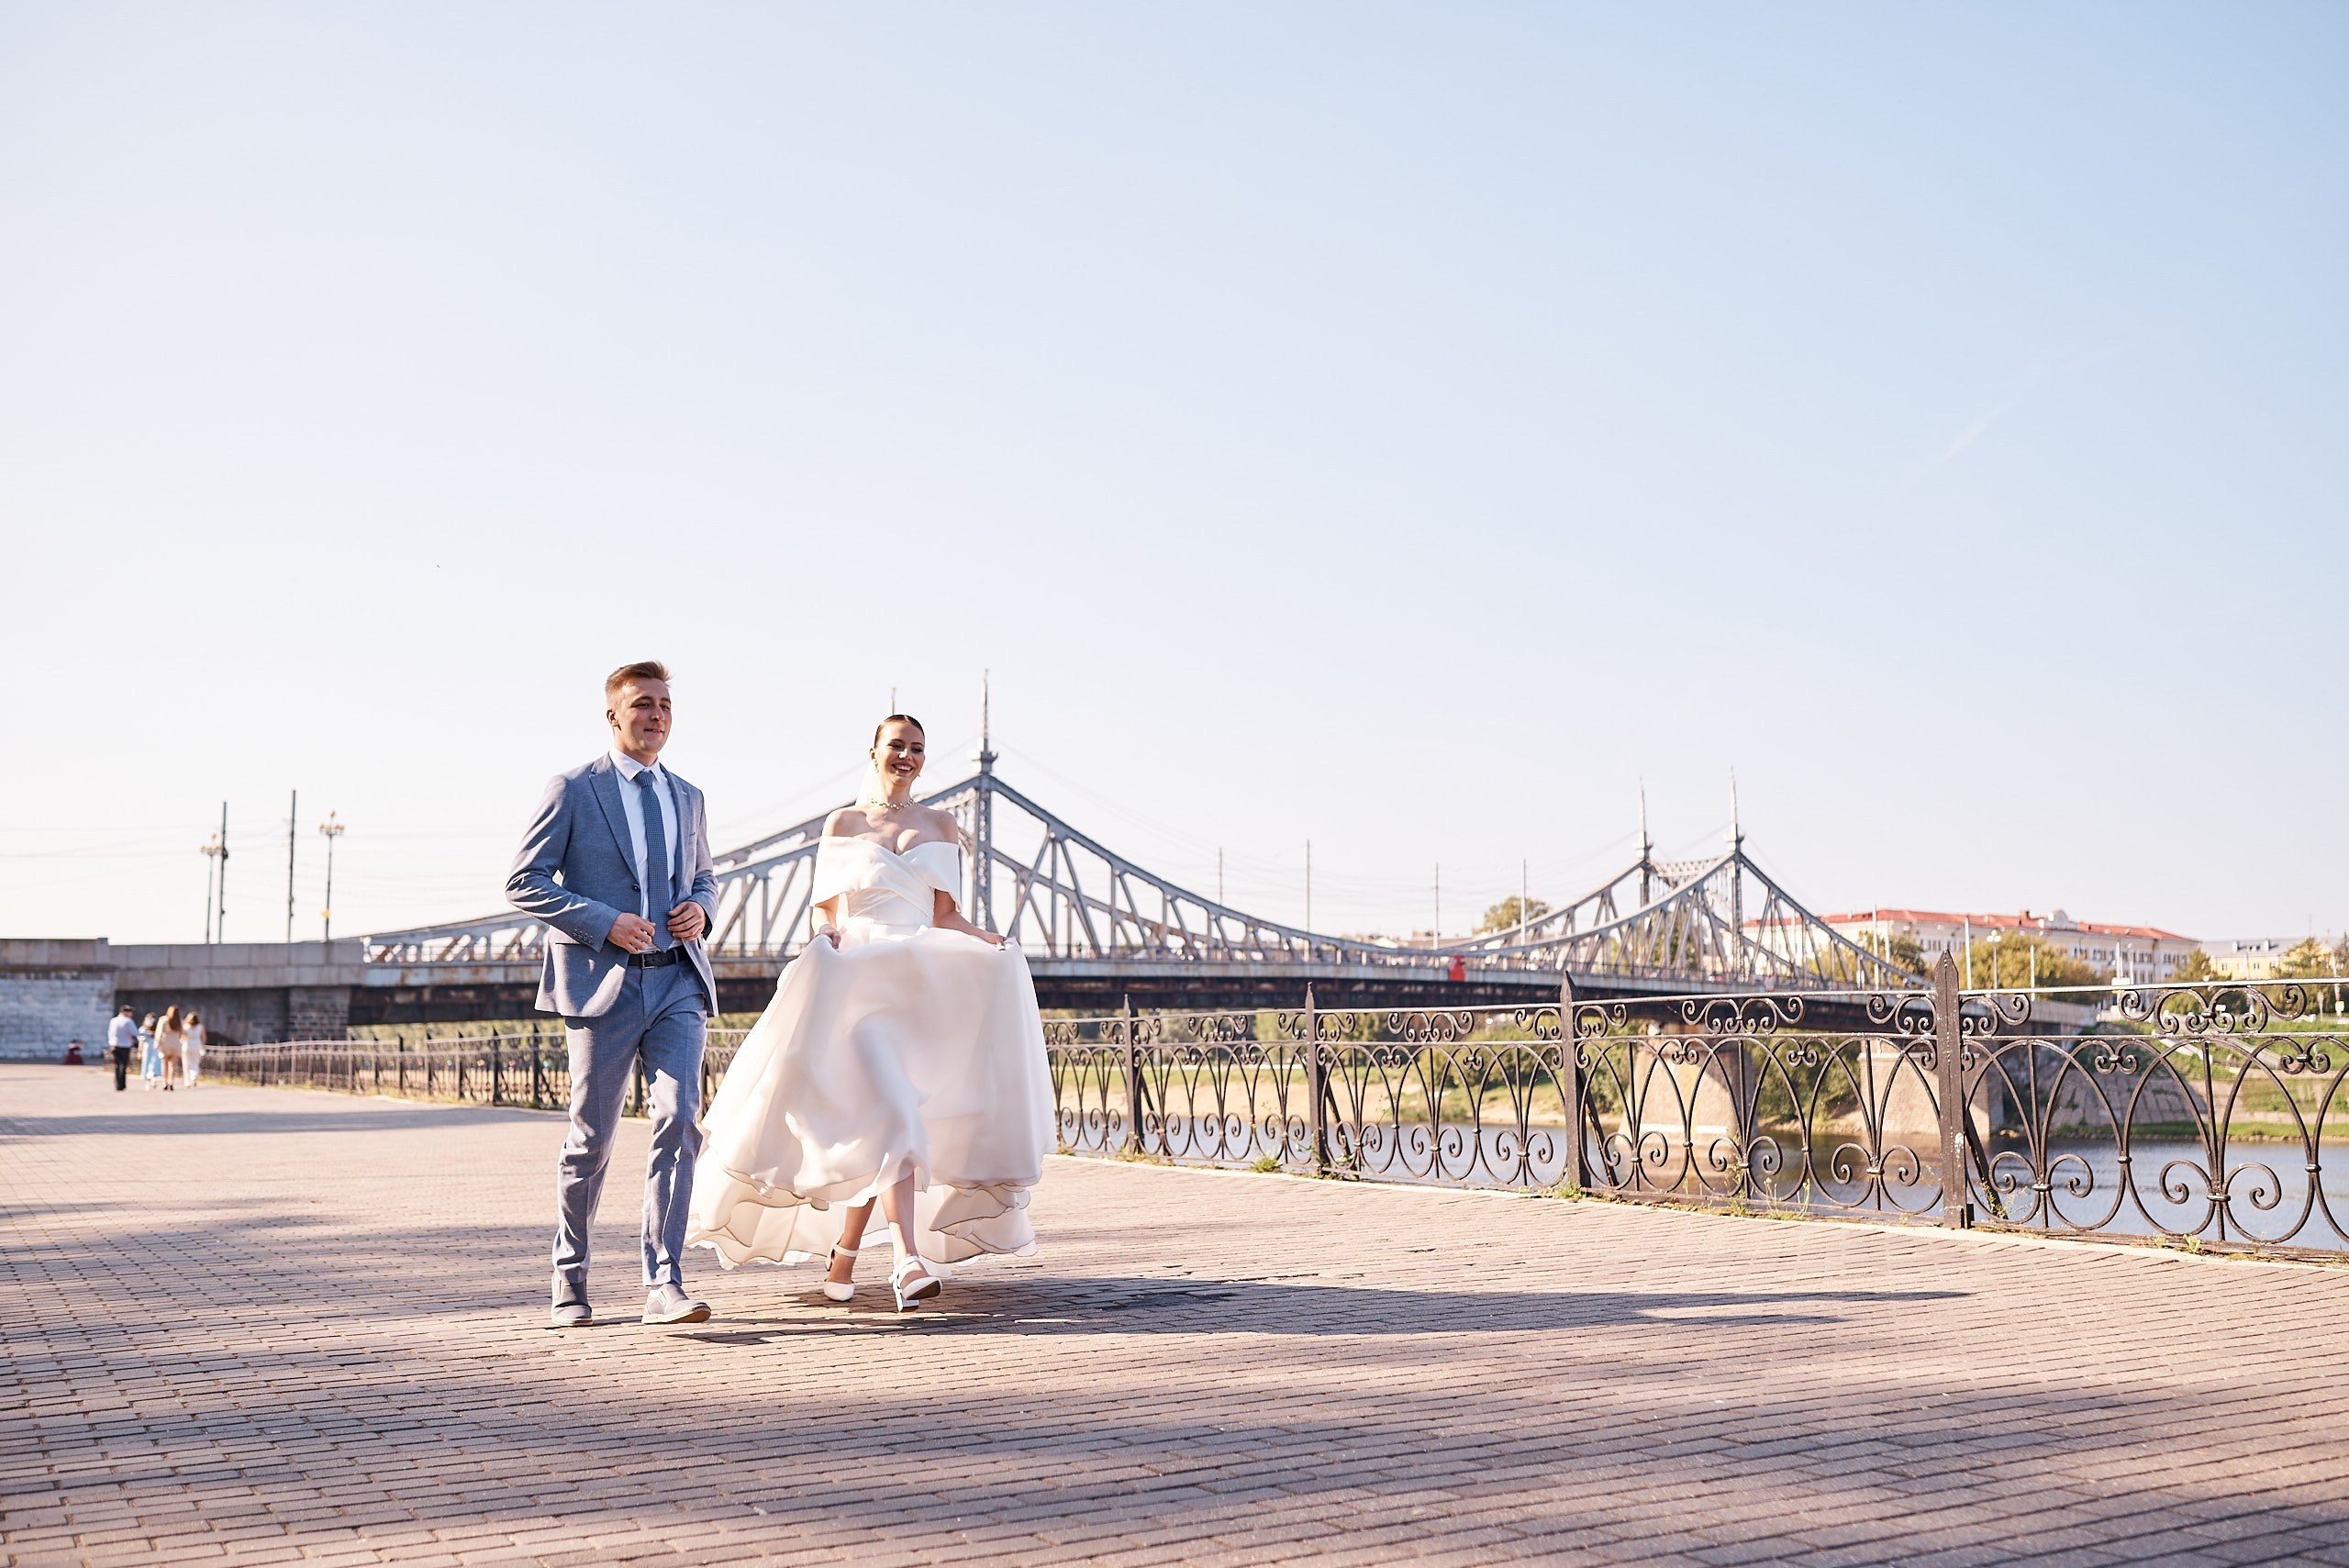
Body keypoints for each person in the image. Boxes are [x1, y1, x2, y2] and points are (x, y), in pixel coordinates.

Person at [687, 714, 1053, 1312]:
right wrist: (827, 936)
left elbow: (944, 917)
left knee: (884, 1121)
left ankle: (847, 1256)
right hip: (858, 985)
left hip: (917, 990)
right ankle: (909, 1260)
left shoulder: (942, 823)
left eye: (916, 748)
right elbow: (825, 911)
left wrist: (989, 942)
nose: (906, 756)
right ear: (874, 751)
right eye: (896, 746)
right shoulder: (844, 823)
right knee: (896, 1110)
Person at [507, 661, 719, 1330]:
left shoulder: (688, 795)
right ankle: (570, 1276)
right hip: (603, 983)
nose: (656, 715)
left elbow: (707, 876)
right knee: (591, 1140)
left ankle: (665, 1280)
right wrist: (604, 921)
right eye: (642, 704)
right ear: (613, 715)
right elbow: (525, 880)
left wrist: (701, 913)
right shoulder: (573, 789)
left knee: (681, 1118)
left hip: (678, 978)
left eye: (664, 705)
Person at [155, 1005, 185, 1093]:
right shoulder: (178, 1021)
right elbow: (183, 1033)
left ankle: (165, 1082)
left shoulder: (163, 1019)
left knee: (164, 1064)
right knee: (173, 1065)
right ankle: (171, 1082)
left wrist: (157, 1042)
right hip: (175, 1043)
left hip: (165, 1042)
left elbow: (159, 1032)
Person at [106, 1005, 138, 1091]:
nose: (132, 1014)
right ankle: (122, 1084)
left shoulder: (113, 1020)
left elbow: (110, 1032)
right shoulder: (128, 1021)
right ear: (125, 1012)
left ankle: (117, 1084)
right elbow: (135, 1032)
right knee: (123, 1065)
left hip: (114, 1045)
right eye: (130, 1012)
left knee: (117, 1065)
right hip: (125, 1045)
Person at [138, 1014, 162, 1089]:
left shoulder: (143, 1029)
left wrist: (139, 1051)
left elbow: (141, 1041)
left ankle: (149, 1080)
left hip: (148, 1046)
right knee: (153, 1062)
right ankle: (153, 1078)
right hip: (154, 1046)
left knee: (148, 1063)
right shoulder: (156, 1029)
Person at [182, 1011, 206, 1088]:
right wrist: (203, 1045)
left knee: (186, 1064)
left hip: (187, 1046)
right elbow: (203, 1037)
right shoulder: (200, 1027)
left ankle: (187, 1081)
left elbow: (182, 1036)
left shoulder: (185, 1026)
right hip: (197, 1046)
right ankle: (194, 1076)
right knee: (195, 1063)